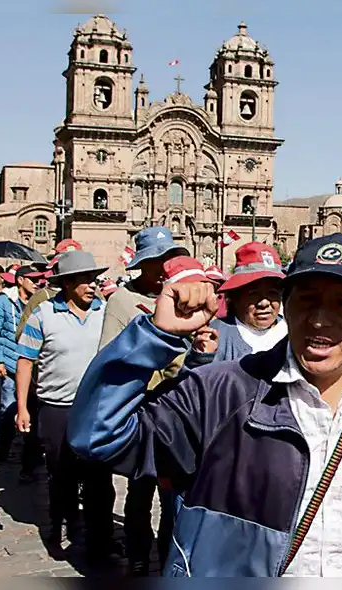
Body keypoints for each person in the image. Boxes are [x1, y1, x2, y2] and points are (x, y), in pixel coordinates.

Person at [68, 234, 342, 577]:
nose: (319, 320)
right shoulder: (219, 393)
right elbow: (96, 435)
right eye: (306, 300)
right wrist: (157, 337)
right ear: (287, 305)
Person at [97, 226, 188, 577]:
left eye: (168, 259)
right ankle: (137, 554)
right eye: (156, 261)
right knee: (140, 488)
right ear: (142, 265)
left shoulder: (183, 295)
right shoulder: (121, 301)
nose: (163, 267)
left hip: (179, 410)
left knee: (173, 494)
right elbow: (110, 354)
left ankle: (168, 559)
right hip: (142, 406)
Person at [15, 251, 117, 561]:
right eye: (85, 280)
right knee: (62, 474)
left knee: (100, 477)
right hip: (56, 408)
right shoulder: (44, 313)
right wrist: (22, 407)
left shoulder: (106, 312)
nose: (92, 285)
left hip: (96, 409)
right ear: (68, 283)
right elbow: (25, 362)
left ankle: (101, 539)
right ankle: (62, 526)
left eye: (94, 279)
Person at [0, 266, 43, 483]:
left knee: (32, 413)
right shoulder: (3, 301)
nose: (37, 282)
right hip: (10, 364)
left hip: (32, 366)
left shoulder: (39, 301)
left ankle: (30, 460)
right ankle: (4, 446)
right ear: (20, 281)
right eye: (32, 279)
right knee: (10, 410)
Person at [199, 242, 287, 363]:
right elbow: (191, 380)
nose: (264, 303)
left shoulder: (292, 331)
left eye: (272, 293)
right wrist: (201, 359)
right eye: (253, 294)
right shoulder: (216, 334)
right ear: (235, 297)